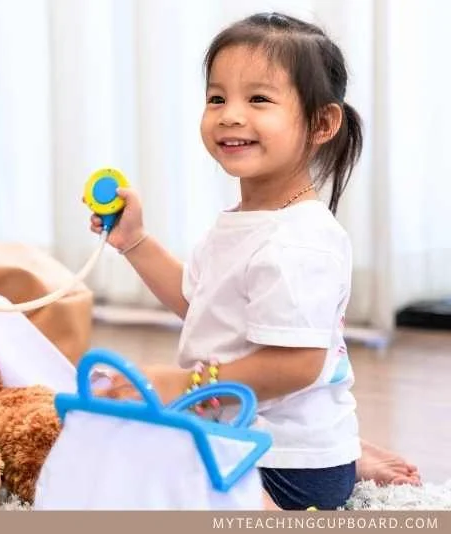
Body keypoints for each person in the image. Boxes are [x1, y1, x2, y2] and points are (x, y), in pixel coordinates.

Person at [90, 12, 420, 510]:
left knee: (141, 478)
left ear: (322, 123)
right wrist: (134, 241)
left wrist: (186, 383)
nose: (230, 115)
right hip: (239, 431)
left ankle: (336, 463)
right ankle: (344, 454)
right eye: (217, 98)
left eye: (259, 99)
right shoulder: (241, 220)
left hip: (286, 462)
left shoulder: (301, 241)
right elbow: (200, 304)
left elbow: (298, 363)